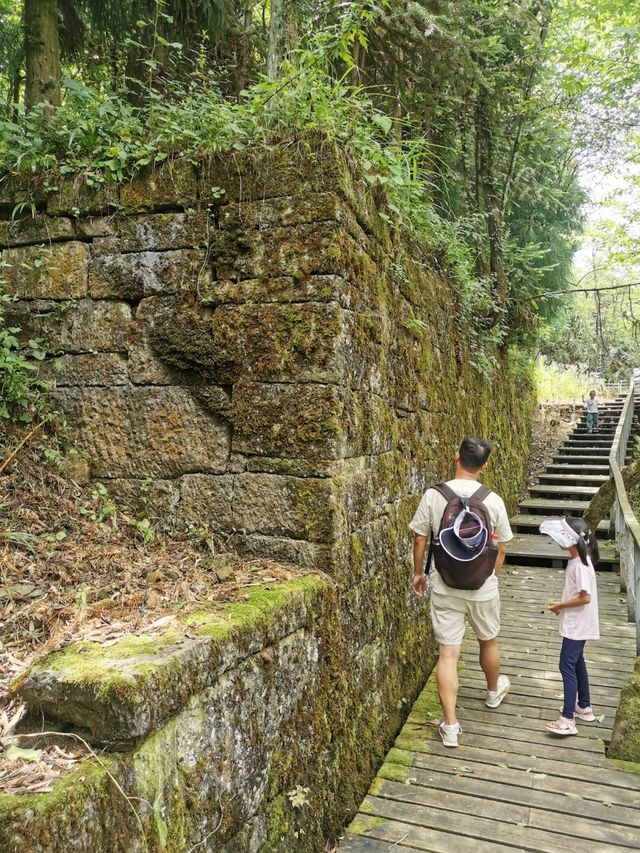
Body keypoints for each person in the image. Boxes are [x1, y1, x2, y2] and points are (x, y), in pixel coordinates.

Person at [410, 437, 513, 748]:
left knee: (448, 654)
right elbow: (502, 547)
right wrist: (490, 576)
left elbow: (419, 540)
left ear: (456, 456)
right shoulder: (492, 500)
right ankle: (493, 692)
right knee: (488, 640)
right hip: (483, 587)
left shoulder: (434, 495)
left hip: (444, 583)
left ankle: (451, 725)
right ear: (484, 466)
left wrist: (418, 574)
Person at [540, 516, 600, 736]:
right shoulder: (578, 561)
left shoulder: (581, 565)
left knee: (566, 665)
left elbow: (585, 598)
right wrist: (562, 606)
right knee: (577, 662)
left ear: (572, 541)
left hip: (578, 624)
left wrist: (561, 604)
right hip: (578, 622)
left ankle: (567, 719)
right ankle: (583, 706)